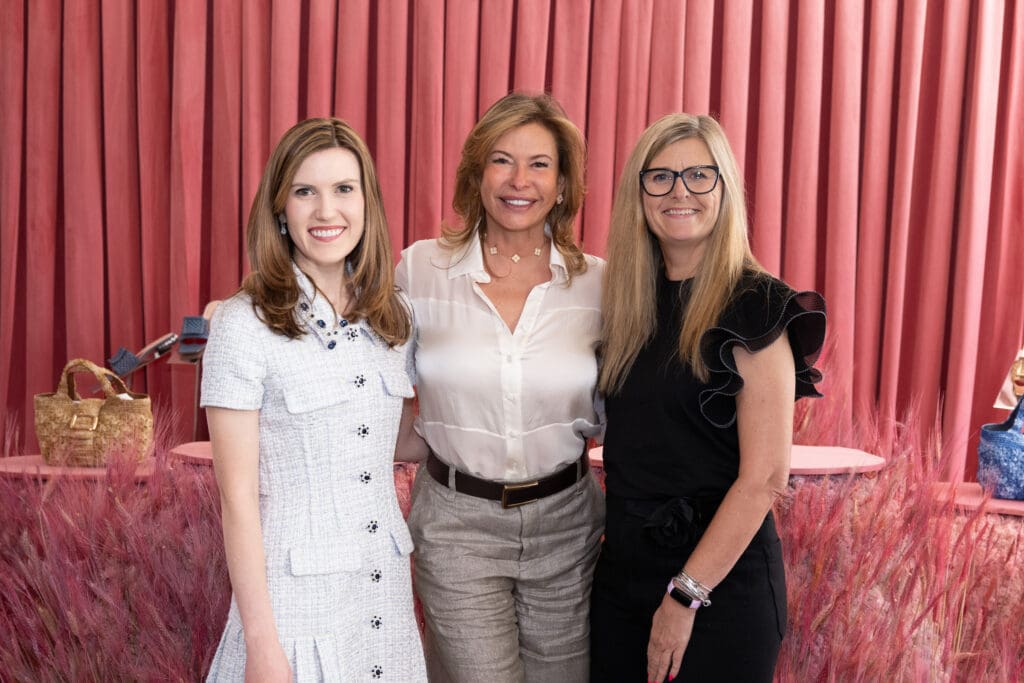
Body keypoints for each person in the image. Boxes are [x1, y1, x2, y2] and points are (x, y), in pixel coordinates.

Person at [589, 114, 826, 682]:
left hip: (721, 591)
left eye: (700, 175)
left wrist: (684, 597)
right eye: (662, 177)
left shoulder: (757, 306)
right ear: (637, 192)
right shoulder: (625, 306)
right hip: (622, 578)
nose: (680, 192)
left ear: (724, 188)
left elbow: (765, 477)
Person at [202, 118, 427, 682]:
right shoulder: (241, 326)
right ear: (281, 208)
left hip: (383, 598)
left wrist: (494, 429)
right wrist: (262, 646)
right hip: (293, 605)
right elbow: (237, 498)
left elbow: (393, 440)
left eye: (343, 190)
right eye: (306, 192)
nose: (327, 211)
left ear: (367, 203)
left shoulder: (395, 317)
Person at [394, 92, 605, 682]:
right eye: (501, 160)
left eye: (540, 164)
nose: (520, 180)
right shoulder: (419, 269)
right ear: (476, 174)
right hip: (457, 525)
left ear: (563, 185)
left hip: (568, 524)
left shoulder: (600, 285)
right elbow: (366, 380)